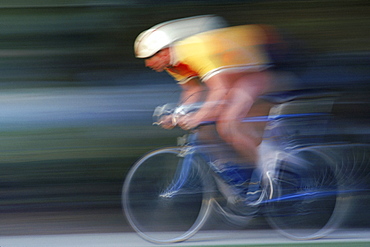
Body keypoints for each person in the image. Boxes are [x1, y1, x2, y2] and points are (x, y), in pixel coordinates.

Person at [134, 15, 283, 204]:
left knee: (229, 124)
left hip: (254, 74)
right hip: (232, 78)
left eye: (149, 57)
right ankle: (242, 175)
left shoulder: (194, 52)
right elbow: (193, 90)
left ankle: (268, 176)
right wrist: (178, 114)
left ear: (163, 52)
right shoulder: (172, 63)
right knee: (205, 132)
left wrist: (198, 116)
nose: (147, 64)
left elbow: (220, 89)